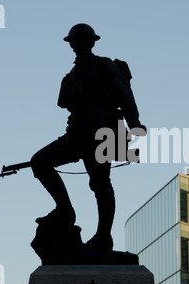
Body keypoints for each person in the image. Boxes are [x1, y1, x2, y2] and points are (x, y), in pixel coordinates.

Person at [30, 23, 146, 251]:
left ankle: (104, 236)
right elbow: (65, 102)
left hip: (103, 132)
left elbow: (125, 95)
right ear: (71, 45)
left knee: (100, 183)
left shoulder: (104, 65)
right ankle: (65, 210)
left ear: (92, 43)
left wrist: (135, 125)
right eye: (76, 42)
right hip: (77, 134)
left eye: (85, 41)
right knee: (40, 161)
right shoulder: (72, 73)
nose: (80, 45)